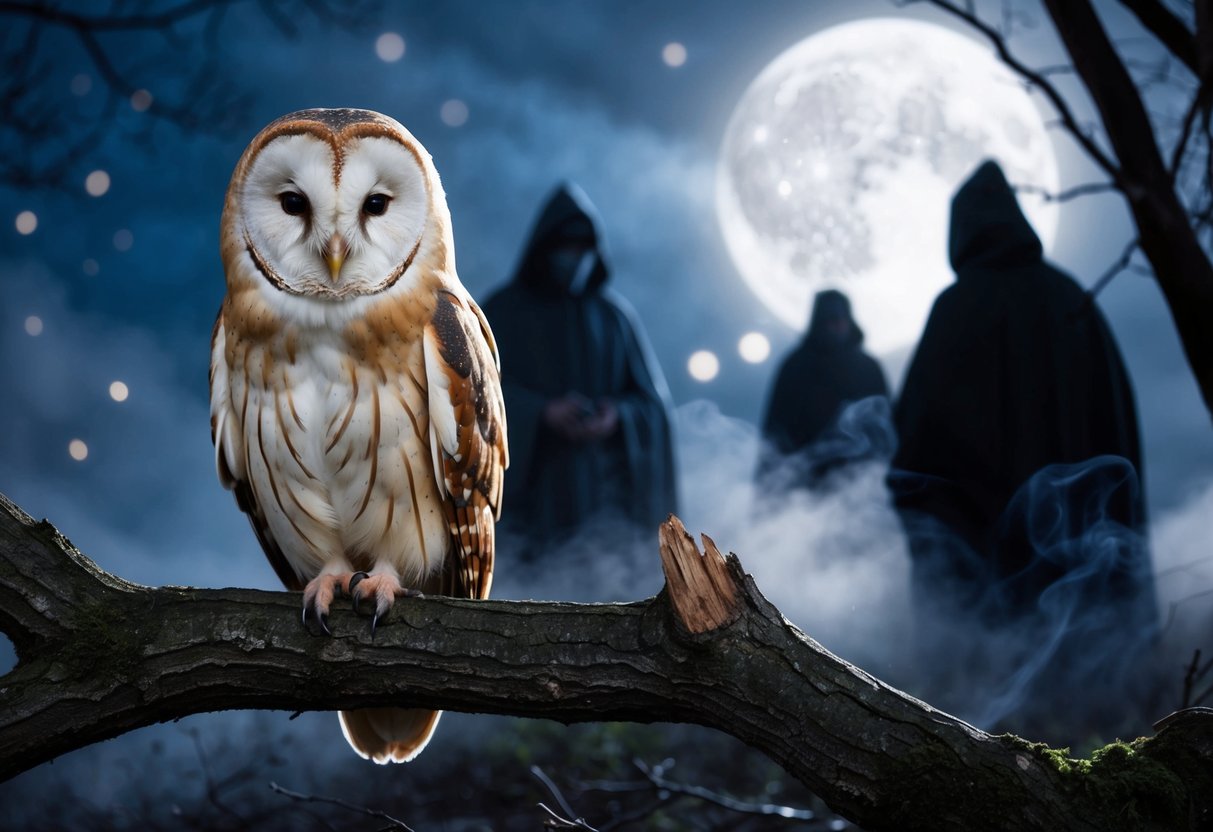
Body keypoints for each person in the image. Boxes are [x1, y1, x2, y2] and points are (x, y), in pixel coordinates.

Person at [889, 160, 1157, 732]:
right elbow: (1118, 434)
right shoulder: (1073, 301)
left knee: (995, 733)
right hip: (1085, 567)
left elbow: (917, 452)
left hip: (989, 569)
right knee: (1089, 728)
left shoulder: (957, 310)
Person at [481, 183, 678, 561]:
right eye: (564, 247)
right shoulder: (503, 312)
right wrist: (541, 413)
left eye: (581, 248)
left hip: (606, 505)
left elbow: (652, 406)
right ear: (545, 247)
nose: (573, 258)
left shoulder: (614, 318)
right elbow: (470, 397)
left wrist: (617, 415)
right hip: (531, 508)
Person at [758, 289, 891, 488]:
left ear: (848, 320)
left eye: (838, 319)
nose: (833, 326)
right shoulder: (796, 366)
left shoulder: (868, 368)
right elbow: (775, 430)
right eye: (827, 320)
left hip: (858, 481)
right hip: (803, 481)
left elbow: (886, 426)